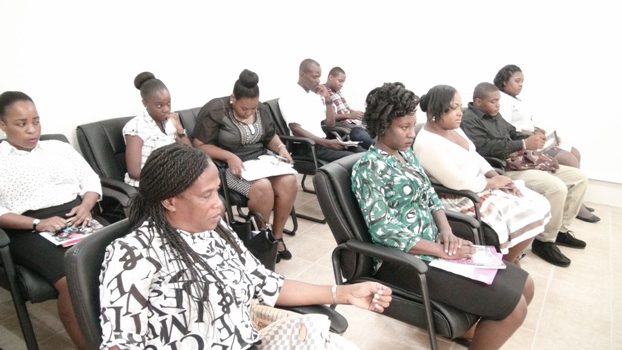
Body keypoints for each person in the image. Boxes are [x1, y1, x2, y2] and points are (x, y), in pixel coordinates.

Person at [99, 143, 392, 349]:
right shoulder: (134, 254)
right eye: (207, 195)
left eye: (217, 191)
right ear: (169, 200)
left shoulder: (216, 231)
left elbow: (266, 284)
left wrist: (343, 293)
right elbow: (121, 343)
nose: (220, 204)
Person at [351, 82, 533, 350]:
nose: (412, 133)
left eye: (413, 126)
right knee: (515, 308)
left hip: (435, 248)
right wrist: (440, 251)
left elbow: (430, 197)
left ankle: (473, 330)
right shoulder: (368, 168)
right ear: (381, 126)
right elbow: (384, 231)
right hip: (406, 263)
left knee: (526, 285)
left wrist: (447, 232)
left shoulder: (406, 155)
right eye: (404, 127)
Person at [0, 91, 103, 349]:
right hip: (28, 228)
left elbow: (90, 180)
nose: (32, 129)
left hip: (76, 216)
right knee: (74, 280)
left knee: (126, 260)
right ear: (2, 125)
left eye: (36, 121)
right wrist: (37, 224)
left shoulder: (58, 148)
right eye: (21, 124)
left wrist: (87, 206)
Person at [414, 85, 550, 265]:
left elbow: (475, 154)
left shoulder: (453, 127)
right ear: (436, 110)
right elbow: (457, 182)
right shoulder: (427, 142)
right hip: (460, 197)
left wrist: (496, 176)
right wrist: (494, 183)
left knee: (540, 203)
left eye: (459, 106)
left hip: (481, 185)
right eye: (454, 107)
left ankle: (511, 258)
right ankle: (508, 262)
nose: (460, 112)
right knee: (529, 212)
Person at [461, 82, 588, 268]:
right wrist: (523, 145)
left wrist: (535, 138)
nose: (497, 105)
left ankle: (560, 230)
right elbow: (485, 148)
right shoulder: (469, 119)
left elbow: (512, 132)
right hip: (505, 168)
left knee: (579, 178)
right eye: (493, 101)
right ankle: (544, 242)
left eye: (498, 101)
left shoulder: (495, 115)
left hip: (521, 160)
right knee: (556, 188)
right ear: (478, 101)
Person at [192, 69, 297, 262]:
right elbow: (199, 145)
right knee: (263, 186)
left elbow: (269, 136)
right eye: (244, 109)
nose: (249, 112)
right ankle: (261, 238)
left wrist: (281, 147)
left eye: (252, 108)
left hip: (261, 162)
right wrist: (229, 156)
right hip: (229, 167)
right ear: (233, 98)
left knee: (289, 181)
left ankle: (277, 236)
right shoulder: (216, 110)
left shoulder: (261, 109)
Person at [494, 64, 599, 223]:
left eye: (522, 81)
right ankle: (572, 204)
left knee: (575, 151)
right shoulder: (503, 100)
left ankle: (575, 201)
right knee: (569, 159)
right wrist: (533, 134)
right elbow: (509, 128)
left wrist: (538, 130)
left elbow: (525, 122)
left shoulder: (517, 99)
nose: (521, 84)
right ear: (504, 82)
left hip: (534, 138)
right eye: (517, 81)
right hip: (526, 143)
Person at [278, 58, 366, 162]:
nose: (318, 80)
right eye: (315, 77)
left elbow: (330, 124)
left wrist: (328, 98)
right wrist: (326, 143)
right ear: (302, 74)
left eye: (319, 77)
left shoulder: (314, 96)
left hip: (322, 143)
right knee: (356, 160)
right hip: (306, 147)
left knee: (364, 154)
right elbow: (296, 129)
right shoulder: (290, 95)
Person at [123, 71, 191, 187]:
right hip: (148, 187)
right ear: (145, 103)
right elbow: (134, 172)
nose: (166, 109)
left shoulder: (169, 122)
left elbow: (191, 154)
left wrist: (179, 129)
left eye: (168, 104)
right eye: (159, 105)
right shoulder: (136, 127)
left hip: (173, 181)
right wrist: (168, 178)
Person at [324, 66, 375, 149]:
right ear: (330, 77)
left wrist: (357, 114)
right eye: (340, 81)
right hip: (343, 128)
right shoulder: (323, 92)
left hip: (352, 124)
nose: (341, 84)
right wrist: (349, 116)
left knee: (376, 130)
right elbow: (327, 117)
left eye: (343, 82)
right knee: (372, 142)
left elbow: (346, 109)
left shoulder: (337, 92)